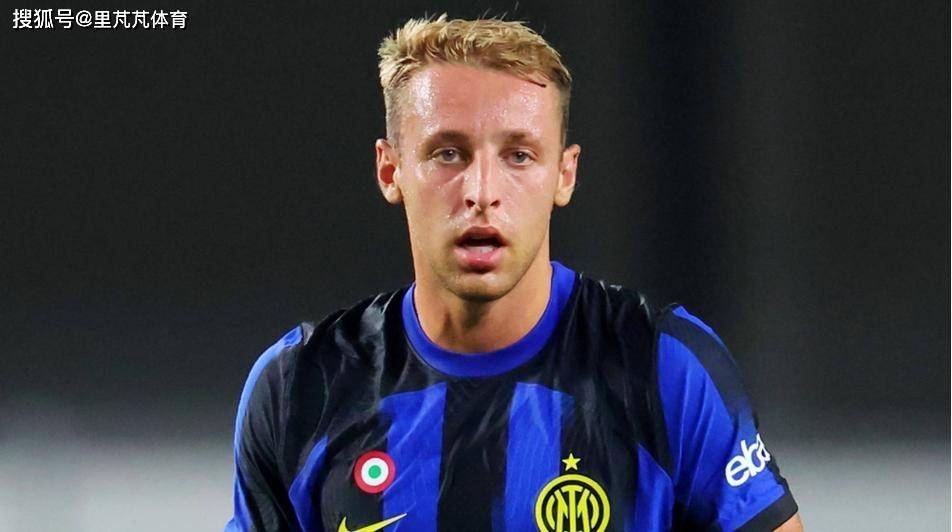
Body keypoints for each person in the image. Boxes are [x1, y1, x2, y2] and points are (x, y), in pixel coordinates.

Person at [226, 14, 802, 532]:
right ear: (390, 169)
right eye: (448, 153)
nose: (481, 192)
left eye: (519, 155)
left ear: (564, 175)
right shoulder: (301, 386)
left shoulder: (662, 367)